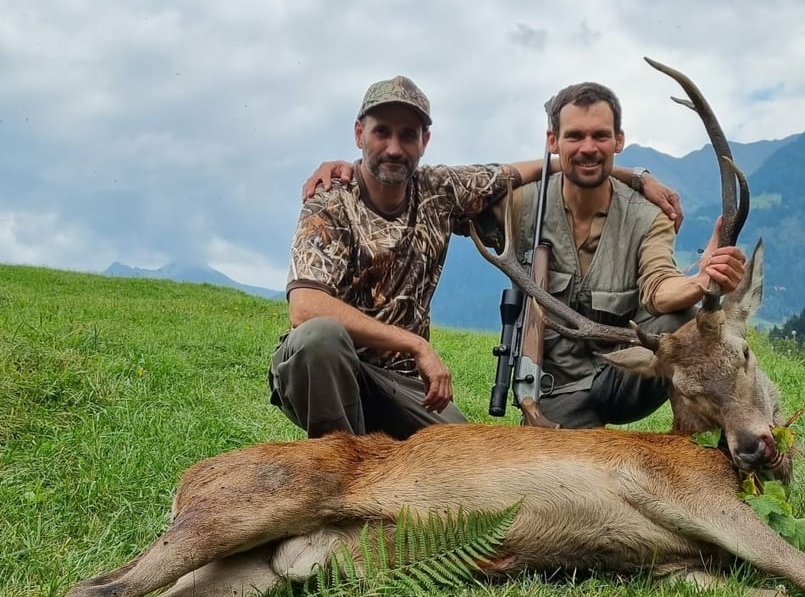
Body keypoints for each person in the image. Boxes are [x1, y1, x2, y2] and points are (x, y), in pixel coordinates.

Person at [271, 75, 682, 440]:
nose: (394, 148)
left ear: (424, 141)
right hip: (329, 369)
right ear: (360, 133)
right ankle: (335, 470)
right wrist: (416, 346)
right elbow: (305, 309)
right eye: (382, 133)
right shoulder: (329, 200)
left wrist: (634, 177)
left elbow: (544, 167)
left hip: (401, 381)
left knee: (473, 466)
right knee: (320, 338)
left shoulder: (440, 189)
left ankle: (382, 457)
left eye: (408, 135)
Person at [499, 81, 745, 428]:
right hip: (557, 393)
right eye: (574, 137)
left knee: (688, 324)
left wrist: (703, 280)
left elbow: (659, 287)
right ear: (552, 142)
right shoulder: (521, 205)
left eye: (600, 136)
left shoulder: (649, 215)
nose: (588, 148)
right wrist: (633, 174)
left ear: (619, 140)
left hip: (622, 378)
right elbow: (476, 184)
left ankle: (712, 439)